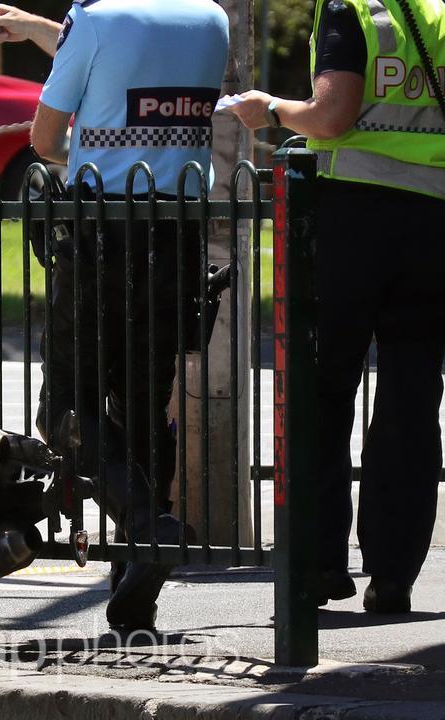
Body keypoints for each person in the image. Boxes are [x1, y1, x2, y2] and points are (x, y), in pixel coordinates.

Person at [0, 0, 229, 630]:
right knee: (141, 407)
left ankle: (145, 526)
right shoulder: (211, 19)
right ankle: (138, 584)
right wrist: (37, 32)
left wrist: (86, 148)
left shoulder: (97, 19)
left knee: (65, 408)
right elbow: (132, 71)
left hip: (100, 236)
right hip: (177, 236)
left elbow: (45, 139)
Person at [228, 0, 445, 613]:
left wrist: (268, 109)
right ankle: (395, 575)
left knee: (320, 393)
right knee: (412, 397)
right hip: (434, 224)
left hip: (350, 220)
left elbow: (332, 115)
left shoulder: (359, 10)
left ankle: (319, 564)